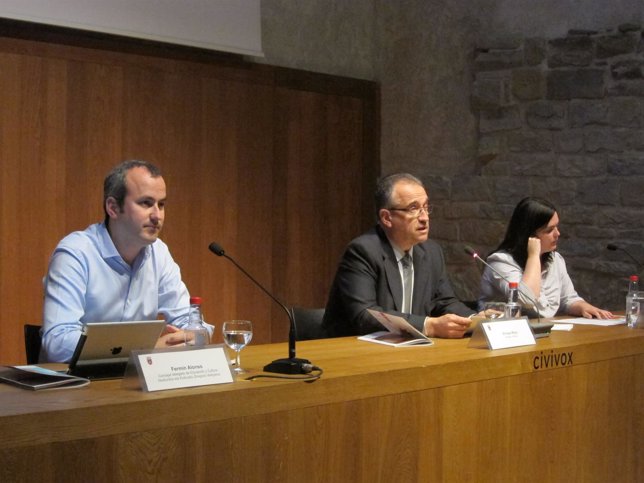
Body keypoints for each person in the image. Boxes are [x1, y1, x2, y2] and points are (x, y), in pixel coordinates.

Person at [41, 160, 212, 362]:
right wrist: (147, 349)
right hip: (75, 385)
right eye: (146, 203)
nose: (157, 215)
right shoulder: (76, 254)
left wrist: (195, 335)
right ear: (113, 208)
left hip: (135, 383)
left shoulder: (159, 253)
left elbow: (189, 322)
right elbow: (58, 342)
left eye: (162, 204)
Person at [322, 173, 476, 339]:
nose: (424, 217)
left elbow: (445, 302)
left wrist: (477, 320)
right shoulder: (363, 251)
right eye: (413, 208)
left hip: (410, 349)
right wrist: (428, 326)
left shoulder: (431, 252)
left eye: (425, 207)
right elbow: (365, 315)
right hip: (356, 352)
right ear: (387, 218)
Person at [478, 197, 612, 319]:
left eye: (557, 227)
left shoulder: (556, 260)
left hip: (545, 332)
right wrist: (533, 256)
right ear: (528, 235)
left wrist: (583, 306)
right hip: (508, 335)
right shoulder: (500, 262)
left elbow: (567, 299)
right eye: (549, 230)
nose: (557, 234)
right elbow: (527, 299)